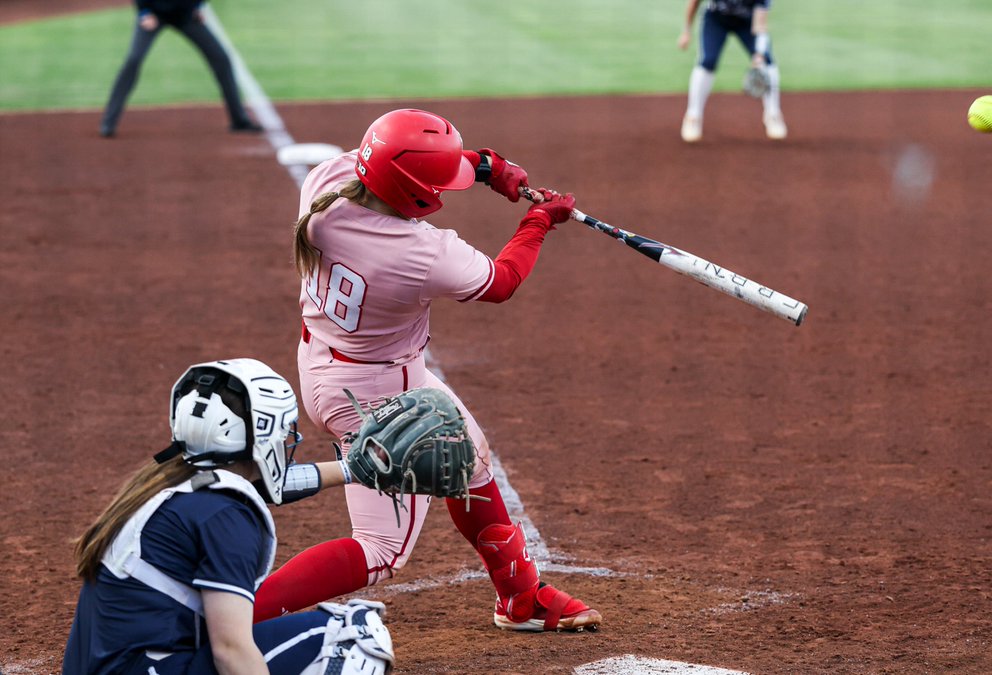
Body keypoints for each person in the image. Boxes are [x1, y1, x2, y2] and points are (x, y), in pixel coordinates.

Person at [252, 108, 602, 633]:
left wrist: (483, 166)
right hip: (377, 394)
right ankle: (235, 615)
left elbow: (398, 163)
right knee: (381, 550)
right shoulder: (420, 252)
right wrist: (537, 222)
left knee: (472, 461)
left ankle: (521, 599)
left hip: (329, 364)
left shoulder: (327, 180)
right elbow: (502, 280)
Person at [62, 358, 395, 674]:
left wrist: (354, 469)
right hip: (150, 667)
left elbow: (268, 485)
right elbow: (231, 650)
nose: (284, 440)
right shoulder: (224, 517)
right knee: (353, 637)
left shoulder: (174, 484)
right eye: (279, 432)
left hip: (126, 663)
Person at [99, 0, 262, 137]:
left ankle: (239, 120)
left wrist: (196, 7)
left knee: (221, 59)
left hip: (185, 16)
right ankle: (108, 122)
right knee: (134, 59)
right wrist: (143, 12)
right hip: (154, 13)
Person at [678, 0, 787, 142]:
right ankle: (693, 116)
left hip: (747, 21)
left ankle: (773, 115)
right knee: (707, 61)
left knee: (767, 62)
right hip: (716, 19)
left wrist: (759, 54)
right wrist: (687, 31)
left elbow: (760, 23)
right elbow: (694, 2)